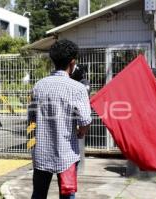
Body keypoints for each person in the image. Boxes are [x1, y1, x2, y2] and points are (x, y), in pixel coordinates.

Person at [28, 39, 92, 199]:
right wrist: (80, 133)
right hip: (67, 155)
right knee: (67, 195)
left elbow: (32, 116)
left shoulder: (39, 86)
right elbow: (85, 121)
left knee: (38, 194)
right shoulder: (77, 88)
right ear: (72, 63)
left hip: (42, 152)